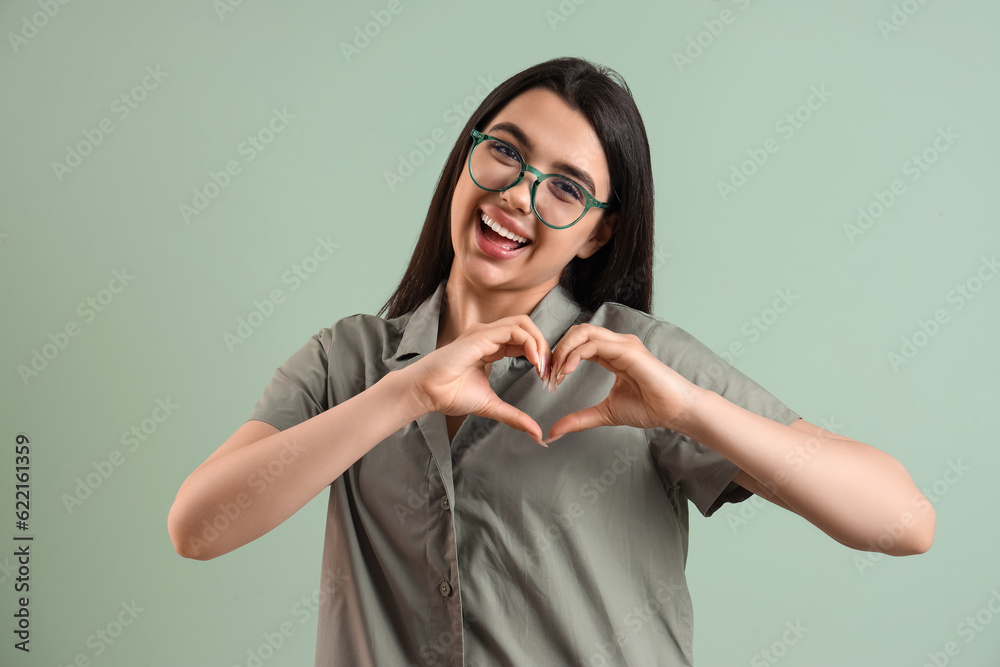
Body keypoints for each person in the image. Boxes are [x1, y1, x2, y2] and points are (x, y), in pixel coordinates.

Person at [167, 57, 935, 666]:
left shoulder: (637, 363)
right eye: (504, 152)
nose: (518, 197)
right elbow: (198, 527)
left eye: (566, 187)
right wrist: (404, 394)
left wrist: (690, 411)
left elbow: (904, 520)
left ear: (598, 234)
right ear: (467, 157)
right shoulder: (350, 359)